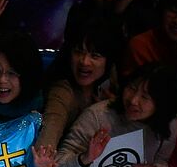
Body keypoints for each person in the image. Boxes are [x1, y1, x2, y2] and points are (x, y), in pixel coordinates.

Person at [42, 62, 177, 167]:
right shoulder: (97, 116)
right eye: (131, 88)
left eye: (145, 97)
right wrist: (84, 159)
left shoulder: (169, 122)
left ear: (162, 105)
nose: (133, 100)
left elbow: (162, 160)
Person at [37, 13, 122, 155]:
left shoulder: (112, 85)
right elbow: (53, 122)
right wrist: (44, 152)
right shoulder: (62, 91)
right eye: (78, 52)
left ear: (108, 61)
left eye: (94, 56)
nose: (84, 61)